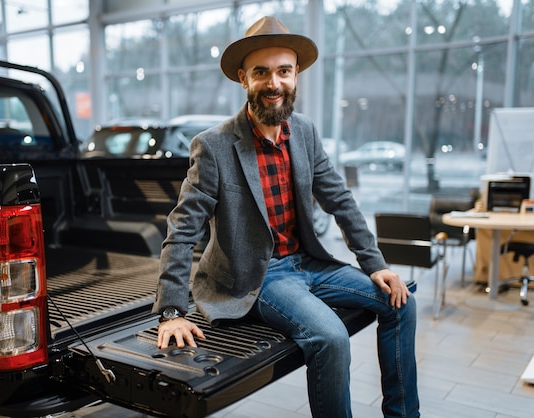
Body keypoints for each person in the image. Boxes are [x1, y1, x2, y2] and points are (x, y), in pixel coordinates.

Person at [151, 16, 419, 418]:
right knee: (331, 337)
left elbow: (340, 200)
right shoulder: (214, 145)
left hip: (310, 263)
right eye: (262, 72)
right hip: (259, 276)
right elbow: (182, 227)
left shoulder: (305, 132)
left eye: (284, 71)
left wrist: (375, 264)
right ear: (244, 78)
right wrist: (172, 311)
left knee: (401, 301)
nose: (273, 83)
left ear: (296, 77)